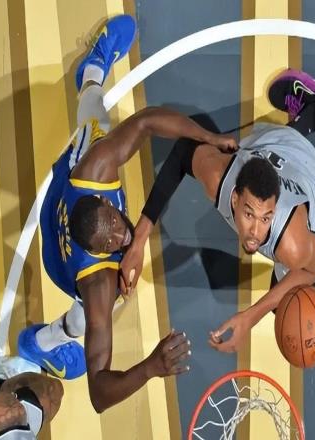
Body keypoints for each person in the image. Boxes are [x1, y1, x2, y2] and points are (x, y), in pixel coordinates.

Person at [17, 15, 237, 412]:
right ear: (99, 251)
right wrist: (150, 367)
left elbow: (147, 121)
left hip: (61, 199)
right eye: (112, 243)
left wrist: (209, 137)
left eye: (117, 226)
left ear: (105, 202)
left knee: (95, 126)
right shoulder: (99, 282)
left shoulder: (94, 171)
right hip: (61, 263)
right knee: (92, 317)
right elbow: (98, 395)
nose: (123, 236)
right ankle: (43, 342)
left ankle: (92, 70)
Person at [120, 68, 315, 353]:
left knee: (287, 307)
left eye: (265, 218)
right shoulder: (218, 179)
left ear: (274, 209)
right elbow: (183, 152)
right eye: (249, 214)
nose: (256, 232)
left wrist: (250, 316)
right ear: (233, 200)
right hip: (273, 145)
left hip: (309, 179)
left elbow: (314, 264)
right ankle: (311, 111)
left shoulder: (292, 244)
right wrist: (139, 239)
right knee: (244, 144)